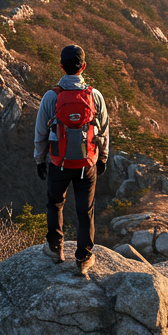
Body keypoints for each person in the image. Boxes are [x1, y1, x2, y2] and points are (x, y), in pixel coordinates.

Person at [34, 44, 110, 271]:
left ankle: (55, 247)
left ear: (61, 66)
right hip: (87, 163)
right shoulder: (95, 95)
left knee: (55, 203)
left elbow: (40, 133)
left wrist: (40, 160)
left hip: (59, 162)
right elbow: (104, 131)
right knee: (85, 210)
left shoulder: (51, 96)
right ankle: (84, 258)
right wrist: (103, 157)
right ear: (84, 67)